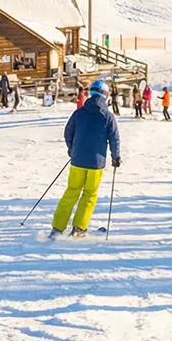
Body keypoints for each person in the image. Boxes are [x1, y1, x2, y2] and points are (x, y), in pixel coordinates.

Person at [51, 79, 122, 238]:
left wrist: (72, 148)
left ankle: (58, 227)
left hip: (78, 160)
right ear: (105, 95)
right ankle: (79, 228)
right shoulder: (108, 116)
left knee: (71, 192)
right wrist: (116, 156)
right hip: (96, 163)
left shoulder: (79, 112)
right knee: (89, 194)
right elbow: (114, 138)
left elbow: (68, 132)